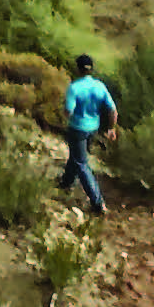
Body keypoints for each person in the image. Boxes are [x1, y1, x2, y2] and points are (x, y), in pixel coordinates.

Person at [61, 53, 121, 217]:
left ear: (78, 68)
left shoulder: (74, 87)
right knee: (77, 156)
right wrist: (111, 128)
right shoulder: (99, 86)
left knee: (81, 164)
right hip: (93, 128)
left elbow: (68, 111)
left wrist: (65, 115)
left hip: (77, 128)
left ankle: (98, 202)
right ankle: (65, 183)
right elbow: (112, 110)